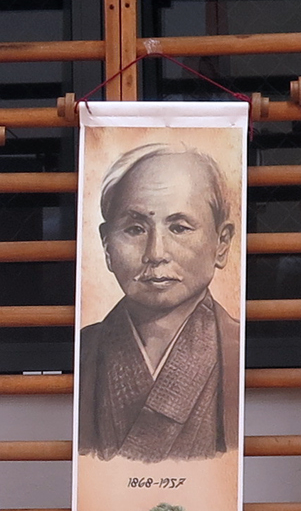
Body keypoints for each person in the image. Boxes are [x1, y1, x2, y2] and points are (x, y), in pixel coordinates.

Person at [75, 142, 242, 462]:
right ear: (107, 245)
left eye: (179, 228)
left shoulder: (237, 349)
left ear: (222, 243)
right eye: (135, 229)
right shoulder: (84, 351)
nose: (155, 253)